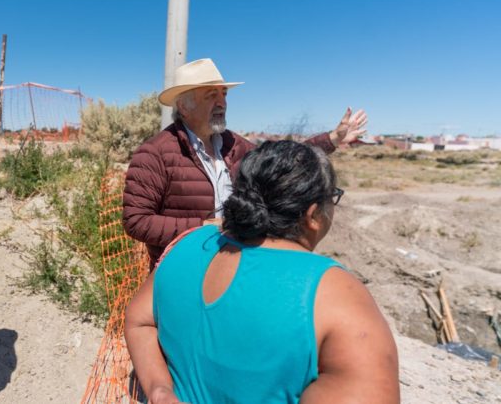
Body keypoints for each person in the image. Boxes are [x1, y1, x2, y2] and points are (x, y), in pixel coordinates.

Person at [124, 140, 399, 404]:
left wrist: (160, 392)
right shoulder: (336, 292)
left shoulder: (190, 242)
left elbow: (139, 321)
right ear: (313, 214)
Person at [122, 58, 368, 268]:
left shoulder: (235, 145)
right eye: (211, 96)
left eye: (224, 94)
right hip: (182, 272)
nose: (222, 103)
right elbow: (137, 221)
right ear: (183, 106)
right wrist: (206, 227)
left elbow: (279, 162)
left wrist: (332, 139)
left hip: (233, 270)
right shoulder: (155, 154)